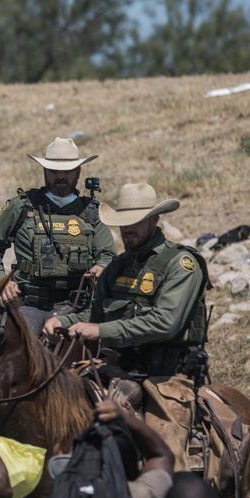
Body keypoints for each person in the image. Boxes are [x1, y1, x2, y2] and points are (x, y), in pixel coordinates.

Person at [44, 182, 209, 463]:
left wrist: (100, 331)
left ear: (155, 220)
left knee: (166, 458)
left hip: (167, 376)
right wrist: (65, 320)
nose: (127, 229)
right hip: (119, 368)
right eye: (123, 223)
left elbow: (165, 322)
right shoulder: (117, 267)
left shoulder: (181, 264)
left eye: (135, 222)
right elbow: (97, 317)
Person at [0, 136, 116, 333]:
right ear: (44, 171)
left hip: (77, 305)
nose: (60, 177)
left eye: (67, 172)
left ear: (78, 171)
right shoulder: (21, 206)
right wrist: (1, 281)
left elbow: (108, 254)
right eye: (53, 172)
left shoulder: (92, 211)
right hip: (29, 304)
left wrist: (101, 267)